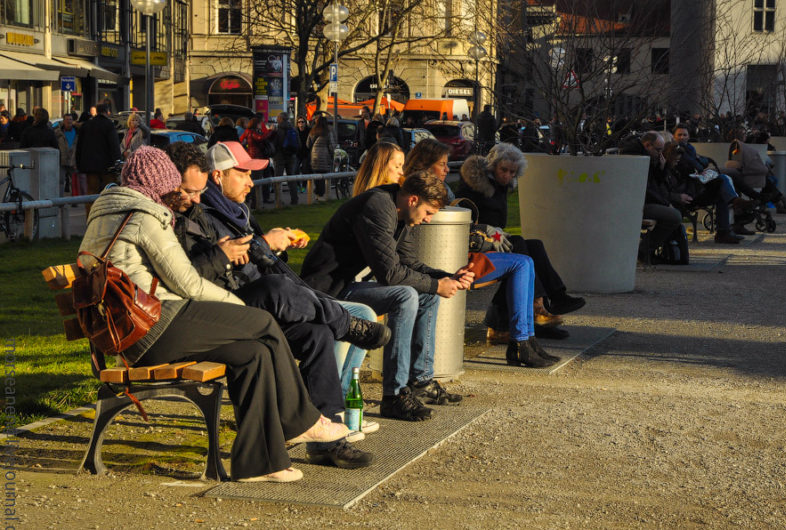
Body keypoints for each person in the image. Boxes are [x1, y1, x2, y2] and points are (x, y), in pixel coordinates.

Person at [78, 145, 350, 482]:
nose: (182, 198)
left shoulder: (108, 212)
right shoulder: (144, 217)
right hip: (155, 328)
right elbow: (189, 284)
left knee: (254, 353)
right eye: (172, 189)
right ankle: (302, 421)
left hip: (135, 330)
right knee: (262, 323)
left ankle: (259, 463)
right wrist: (239, 311)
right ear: (155, 186)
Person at [163, 142, 384, 466]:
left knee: (315, 335)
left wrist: (266, 249)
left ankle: (330, 439)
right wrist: (246, 250)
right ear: (218, 176)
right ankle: (346, 324)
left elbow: (233, 263)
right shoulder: (187, 215)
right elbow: (185, 277)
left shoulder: (215, 212)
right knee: (276, 288)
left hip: (235, 300)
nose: (251, 182)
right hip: (212, 312)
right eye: (244, 173)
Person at [301, 173, 475, 420]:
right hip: (328, 289)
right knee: (406, 296)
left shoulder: (402, 213)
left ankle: (420, 381)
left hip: (353, 285)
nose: (428, 220)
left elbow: (409, 263)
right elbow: (390, 274)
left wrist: (447, 277)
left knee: (427, 296)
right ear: (413, 199)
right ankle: (394, 395)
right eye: (428, 212)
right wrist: (437, 284)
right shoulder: (378, 206)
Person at [400, 140, 557, 367]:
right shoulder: (421, 191)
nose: (447, 169)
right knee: (523, 262)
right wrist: (486, 234)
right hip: (449, 258)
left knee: (527, 257)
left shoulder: (439, 188)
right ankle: (521, 341)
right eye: (442, 164)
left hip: (456, 251)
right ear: (425, 165)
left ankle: (526, 340)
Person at [456, 142, 586, 341]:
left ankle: (556, 298)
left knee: (534, 246)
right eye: (504, 170)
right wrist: (495, 235)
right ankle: (537, 305)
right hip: (475, 243)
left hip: (494, 241)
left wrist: (498, 235)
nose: (507, 175)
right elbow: (468, 221)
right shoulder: (474, 186)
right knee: (520, 247)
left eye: (512, 172)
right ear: (493, 166)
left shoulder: (502, 186)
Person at [671, 125, 748, 243]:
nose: (682, 137)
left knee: (722, 186)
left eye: (684, 134)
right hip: (687, 194)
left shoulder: (690, 149)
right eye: (679, 135)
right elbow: (696, 165)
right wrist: (700, 163)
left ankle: (724, 231)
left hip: (696, 188)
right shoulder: (674, 152)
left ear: (689, 136)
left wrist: (700, 164)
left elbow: (701, 162)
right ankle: (735, 204)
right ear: (673, 137)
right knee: (723, 180)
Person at [76, 103, 121, 218]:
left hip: (89, 166)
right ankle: (108, 217)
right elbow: (114, 145)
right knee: (109, 192)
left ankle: (90, 217)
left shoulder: (87, 125)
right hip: (107, 166)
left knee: (91, 193)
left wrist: (79, 164)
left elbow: (79, 146)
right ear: (107, 111)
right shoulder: (109, 125)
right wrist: (117, 162)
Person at [239, 116, 274, 205]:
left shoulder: (249, 132)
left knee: (258, 179)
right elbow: (260, 138)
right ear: (255, 124)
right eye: (259, 124)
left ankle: (256, 200)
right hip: (257, 158)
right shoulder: (251, 132)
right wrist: (270, 131)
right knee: (256, 180)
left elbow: (241, 140)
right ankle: (255, 202)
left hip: (257, 157)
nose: (261, 125)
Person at [270, 112, 301, 206]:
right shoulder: (293, 129)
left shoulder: (277, 130)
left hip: (279, 157)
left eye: (278, 118)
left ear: (281, 119)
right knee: (291, 178)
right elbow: (299, 144)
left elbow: (273, 145)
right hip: (291, 157)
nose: (277, 119)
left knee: (278, 179)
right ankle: (294, 199)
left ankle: (279, 200)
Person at [308, 114, 336, 202]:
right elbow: (331, 146)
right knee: (323, 177)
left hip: (314, 156)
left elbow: (308, 144)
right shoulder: (327, 132)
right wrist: (333, 154)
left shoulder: (312, 131)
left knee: (317, 176)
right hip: (325, 156)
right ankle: (321, 195)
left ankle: (317, 194)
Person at [55, 113, 80, 196]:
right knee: (60, 181)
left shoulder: (77, 132)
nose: (69, 121)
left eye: (70, 119)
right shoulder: (58, 133)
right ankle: (60, 201)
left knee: (75, 182)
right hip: (62, 160)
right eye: (67, 119)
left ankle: (75, 201)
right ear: (63, 121)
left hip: (73, 161)